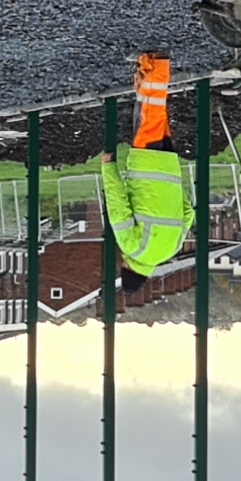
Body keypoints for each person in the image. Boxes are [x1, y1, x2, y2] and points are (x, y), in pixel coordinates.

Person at [98, 53, 192, 298]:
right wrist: (108, 168)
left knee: (154, 111)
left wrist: (170, 188)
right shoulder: (132, 247)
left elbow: (189, 213)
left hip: (169, 167)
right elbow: (117, 206)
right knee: (149, 112)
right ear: (126, 268)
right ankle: (159, 64)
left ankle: (147, 66)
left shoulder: (170, 250)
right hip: (145, 166)